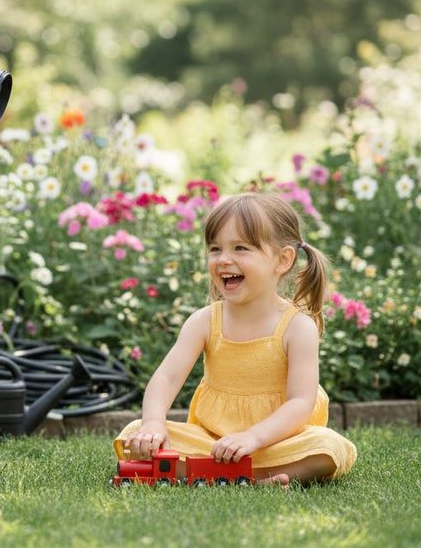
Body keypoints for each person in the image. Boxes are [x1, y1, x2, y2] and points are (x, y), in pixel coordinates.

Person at [114, 192, 357, 487]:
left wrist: (253, 438)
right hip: (211, 443)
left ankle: (216, 475)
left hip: (274, 443)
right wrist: (153, 423)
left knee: (329, 447)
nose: (224, 259)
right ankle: (247, 478)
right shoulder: (205, 321)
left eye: (240, 248)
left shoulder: (297, 328)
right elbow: (166, 377)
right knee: (133, 432)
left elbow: (300, 403)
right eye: (215, 249)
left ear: (282, 260)